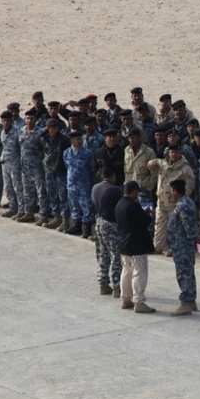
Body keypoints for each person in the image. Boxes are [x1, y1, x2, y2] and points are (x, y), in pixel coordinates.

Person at [115, 181, 156, 314]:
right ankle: (139, 301)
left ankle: (125, 298)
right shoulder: (133, 206)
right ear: (133, 191)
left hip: (124, 245)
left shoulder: (119, 204)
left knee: (126, 272)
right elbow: (146, 220)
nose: (138, 194)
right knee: (139, 273)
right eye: (137, 191)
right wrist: (149, 214)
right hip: (136, 245)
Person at [148, 144, 196, 255]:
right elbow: (151, 163)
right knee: (159, 225)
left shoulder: (185, 168)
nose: (173, 154)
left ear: (180, 153)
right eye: (171, 152)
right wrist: (151, 164)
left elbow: (190, 185)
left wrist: (182, 199)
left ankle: (171, 247)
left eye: (176, 152)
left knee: (173, 227)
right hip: (161, 201)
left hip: (174, 203)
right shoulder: (163, 163)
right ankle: (158, 246)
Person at [167, 179, 200, 316]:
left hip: (182, 246)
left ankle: (186, 303)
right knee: (188, 273)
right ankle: (191, 300)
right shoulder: (185, 202)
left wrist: (194, 236)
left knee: (184, 274)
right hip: (181, 245)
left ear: (175, 191)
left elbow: (189, 227)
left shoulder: (183, 205)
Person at [91, 168, 124, 297]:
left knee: (102, 254)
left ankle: (103, 284)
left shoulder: (95, 188)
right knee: (116, 256)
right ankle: (117, 287)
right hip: (111, 224)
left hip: (99, 222)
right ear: (113, 176)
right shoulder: (115, 190)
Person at [17, 108, 50, 224]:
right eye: (28, 118)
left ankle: (43, 215)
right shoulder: (21, 131)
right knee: (28, 191)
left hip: (37, 167)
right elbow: (19, 147)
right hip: (25, 167)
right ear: (25, 119)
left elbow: (45, 149)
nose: (30, 120)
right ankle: (29, 212)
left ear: (36, 120)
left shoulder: (40, 132)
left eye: (32, 118)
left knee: (41, 192)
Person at [63, 129, 97, 238]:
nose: (80, 141)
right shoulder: (66, 153)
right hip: (71, 185)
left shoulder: (87, 153)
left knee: (86, 206)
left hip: (84, 185)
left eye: (80, 139)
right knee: (74, 206)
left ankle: (87, 227)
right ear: (72, 140)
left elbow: (92, 169)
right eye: (77, 139)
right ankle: (76, 225)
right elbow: (67, 167)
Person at [41, 119, 71, 230]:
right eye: (52, 127)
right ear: (47, 128)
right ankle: (56, 217)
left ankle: (65, 220)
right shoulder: (43, 138)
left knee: (63, 195)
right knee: (52, 194)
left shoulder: (63, 140)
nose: (55, 130)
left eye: (56, 127)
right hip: (48, 170)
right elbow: (42, 152)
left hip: (60, 170)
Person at [0, 111, 23, 219]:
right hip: (5, 163)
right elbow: (4, 147)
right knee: (8, 187)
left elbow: (21, 148)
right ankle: (13, 208)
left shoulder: (17, 132)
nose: (6, 122)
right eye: (4, 120)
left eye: (8, 120)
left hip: (15, 164)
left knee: (18, 187)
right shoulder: (3, 132)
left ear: (12, 120)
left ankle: (22, 210)